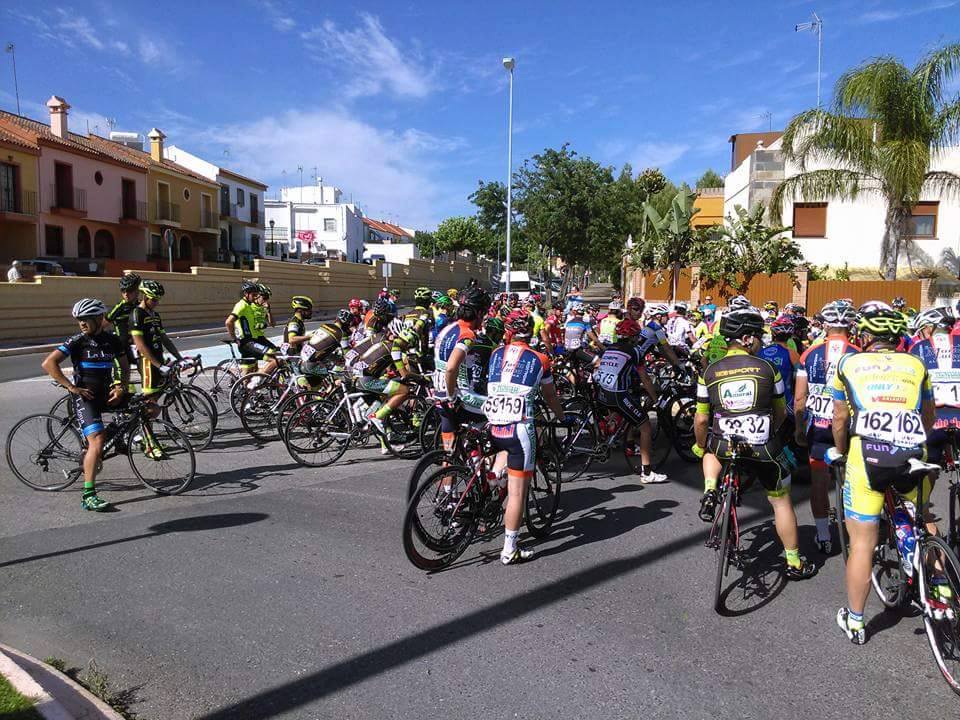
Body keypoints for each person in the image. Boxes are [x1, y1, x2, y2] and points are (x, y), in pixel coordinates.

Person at [832, 306, 937, 645]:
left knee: (862, 543)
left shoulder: (848, 363)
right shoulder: (917, 364)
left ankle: (857, 621)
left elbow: (838, 419)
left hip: (867, 456)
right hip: (913, 451)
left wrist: (843, 451)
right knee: (922, 518)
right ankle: (943, 586)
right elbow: (929, 415)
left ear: (864, 337)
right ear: (897, 339)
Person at [693, 307, 816, 580]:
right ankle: (793, 562)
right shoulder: (767, 368)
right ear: (747, 339)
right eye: (758, 337)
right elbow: (781, 411)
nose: (761, 341)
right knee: (781, 501)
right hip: (762, 445)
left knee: (708, 448)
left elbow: (701, 419)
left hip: (724, 443)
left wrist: (700, 445)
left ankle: (711, 488)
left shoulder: (709, 372)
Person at [486, 310, 568, 564]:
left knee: (502, 452)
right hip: (520, 428)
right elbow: (551, 396)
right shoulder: (541, 359)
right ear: (531, 332)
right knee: (518, 492)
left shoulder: (495, 354)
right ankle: (510, 548)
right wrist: (562, 416)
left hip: (494, 423)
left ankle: (494, 478)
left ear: (508, 332)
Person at [42, 298, 130, 511]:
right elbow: (48, 363)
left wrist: (121, 387)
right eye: (79, 320)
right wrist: (71, 387)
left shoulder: (112, 340)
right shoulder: (77, 341)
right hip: (85, 398)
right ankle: (88, 495)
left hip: (107, 394)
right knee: (97, 440)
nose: (81, 323)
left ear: (100, 319)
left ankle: (109, 440)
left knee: (148, 408)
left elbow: (125, 366)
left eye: (86, 319)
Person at [794, 301, 859, 554]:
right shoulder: (858, 353)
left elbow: (800, 398)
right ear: (850, 325)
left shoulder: (809, 353)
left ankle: (823, 535)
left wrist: (799, 428)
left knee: (819, 482)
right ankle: (855, 536)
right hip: (850, 427)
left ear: (826, 325)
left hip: (818, 426)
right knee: (851, 482)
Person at [592, 317, 669, 484]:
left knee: (622, 411)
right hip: (617, 394)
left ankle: (612, 432)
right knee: (646, 426)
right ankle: (647, 472)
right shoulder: (634, 351)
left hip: (602, 392)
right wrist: (656, 400)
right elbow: (645, 379)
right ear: (633, 337)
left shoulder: (609, 348)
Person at [433, 288, 492, 453]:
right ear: (479, 313)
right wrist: (452, 396)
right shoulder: (467, 335)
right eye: (485, 313)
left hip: (439, 395)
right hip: (458, 398)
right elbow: (451, 368)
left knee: (449, 456)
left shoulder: (448, 328)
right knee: (503, 416)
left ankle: (453, 471)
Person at [130, 281, 184, 421]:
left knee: (157, 395)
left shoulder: (155, 315)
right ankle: (146, 440)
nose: (156, 303)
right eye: (153, 299)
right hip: (147, 362)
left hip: (158, 358)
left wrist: (179, 357)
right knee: (150, 406)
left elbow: (165, 339)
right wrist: (159, 366)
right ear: (144, 297)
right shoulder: (137, 314)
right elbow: (141, 346)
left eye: (158, 300)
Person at [226, 280, 278, 376]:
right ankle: (257, 381)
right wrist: (234, 338)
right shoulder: (243, 305)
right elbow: (229, 322)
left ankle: (244, 386)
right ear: (246, 294)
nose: (256, 297)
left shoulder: (250, 305)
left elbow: (272, 324)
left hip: (257, 339)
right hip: (248, 341)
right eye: (264, 297)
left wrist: (268, 311)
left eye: (257, 295)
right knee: (274, 358)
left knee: (250, 370)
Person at [105, 273, 141, 387]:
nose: (126, 294)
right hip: (119, 346)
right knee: (121, 381)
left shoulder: (140, 306)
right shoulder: (119, 307)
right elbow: (103, 324)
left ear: (137, 291)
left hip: (134, 346)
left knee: (145, 370)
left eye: (129, 291)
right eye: (123, 291)